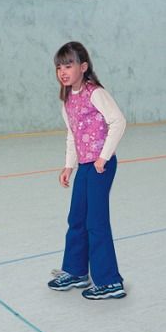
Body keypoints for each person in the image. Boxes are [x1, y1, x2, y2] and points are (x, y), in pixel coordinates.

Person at [48, 41, 127, 300]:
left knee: (96, 222)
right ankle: (76, 271)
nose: (63, 71)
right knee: (77, 218)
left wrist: (104, 157)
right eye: (59, 66)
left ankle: (109, 281)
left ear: (83, 67)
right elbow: (73, 135)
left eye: (68, 65)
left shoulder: (95, 93)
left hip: (100, 166)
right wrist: (68, 166)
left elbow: (118, 121)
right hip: (84, 165)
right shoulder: (68, 100)